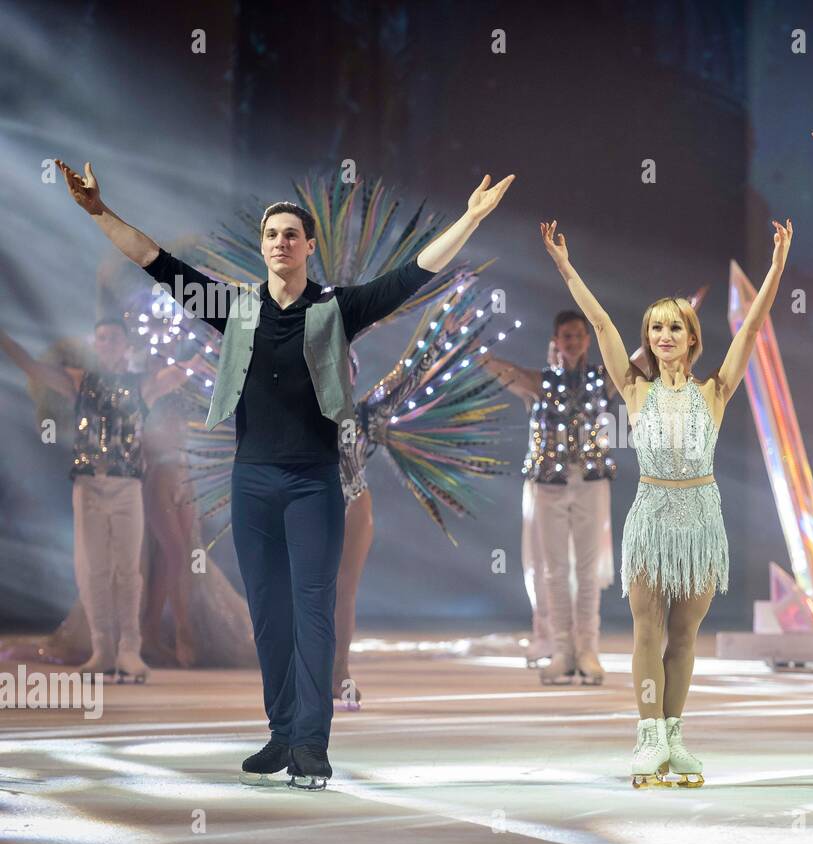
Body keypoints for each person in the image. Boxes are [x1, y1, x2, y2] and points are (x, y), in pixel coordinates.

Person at [55, 157, 513, 790]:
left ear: (308, 246)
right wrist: (99, 212)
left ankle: (312, 745)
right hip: (252, 482)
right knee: (268, 615)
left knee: (312, 612)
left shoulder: (336, 308)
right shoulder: (234, 307)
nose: (279, 243)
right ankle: (279, 733)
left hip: (313, 482)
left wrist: (469, 218)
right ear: (264, 247)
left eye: (290, 235)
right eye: (271, 235)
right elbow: (156, 262)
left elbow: (413, 275)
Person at [540, 216, 793, 788]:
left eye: (675, 327)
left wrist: (776, 268)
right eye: (656, 327)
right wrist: (564, 266)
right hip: (652, 517)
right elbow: (601, 320)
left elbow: (752, 331)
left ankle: (675, 736)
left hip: (702, 518)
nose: (664, 335)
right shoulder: (635, 387)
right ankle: (647, 734)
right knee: (646, 631)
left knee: (684, 636)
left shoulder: (716, 389)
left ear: (692, 337)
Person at [1, 319, 192, 682]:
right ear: (96, 344)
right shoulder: (80, 380)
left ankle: (129, 650)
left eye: (113, 338)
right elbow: (31, 366)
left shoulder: (141, 385)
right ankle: (103, 649)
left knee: (127, 570)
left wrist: (197, 359)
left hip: (127, 487)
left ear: (124, 344)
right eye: (101, 338)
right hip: (88, 485)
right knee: (93, 569)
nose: (106, 344)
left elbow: (178, 375)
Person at [483, 311, 618, 686]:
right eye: (566, 336)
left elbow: (637, 360)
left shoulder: (601, 380)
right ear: (556, 341)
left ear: (588, 340)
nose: (573, 342)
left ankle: (588, 650)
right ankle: (562, 649)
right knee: (555, 570)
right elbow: (502, 370)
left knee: (587, 571)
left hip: (590, 482)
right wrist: (478, 352)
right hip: (549, 485)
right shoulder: (540, 383)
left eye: (578, 335)